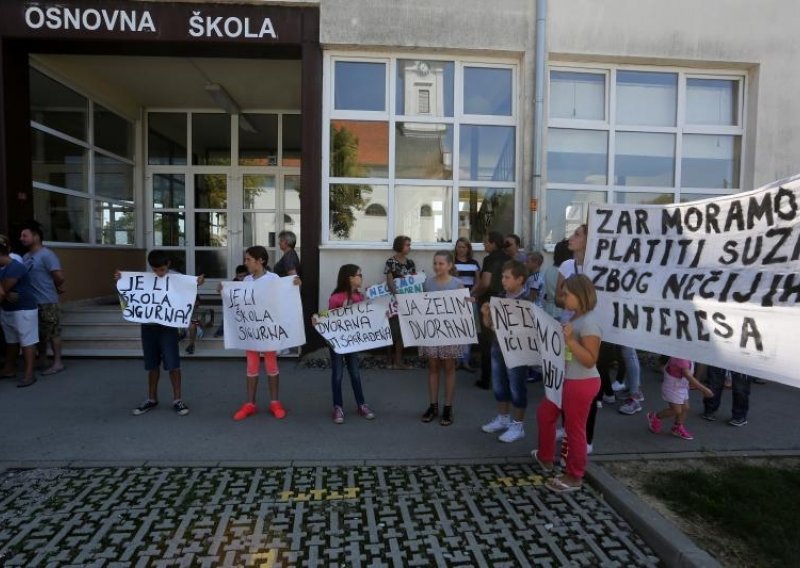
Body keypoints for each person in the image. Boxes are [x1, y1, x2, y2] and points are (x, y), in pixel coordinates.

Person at [534, 274, 602, 493]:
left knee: (574, 430)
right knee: (546, 413)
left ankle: (574, 475)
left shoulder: (589, 322)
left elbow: (590, 359)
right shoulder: (576, 317)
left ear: (581, 295)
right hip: (565, 380)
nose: (563, 298)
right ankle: (545, 457)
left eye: (567, 294)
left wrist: (571, 340)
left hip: (580, 382)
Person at [115, 250, 204, 416]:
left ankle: (177, 399)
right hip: (148, 326)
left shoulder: (176, 277)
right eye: (155, 270)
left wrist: (197, 282)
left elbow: (188, 288)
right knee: (151, 364)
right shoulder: (145, 279)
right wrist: (122, 281)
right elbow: (130, 293)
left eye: (162, 269)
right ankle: (151, 398)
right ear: (151, 267)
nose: (159, 273)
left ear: (168, 264)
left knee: (173, 364)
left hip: (168, 327)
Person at [232, 246, 300, 421]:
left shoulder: (274, 278)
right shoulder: (246, 281)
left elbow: (284, 296)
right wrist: (224, 291)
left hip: (268, 330)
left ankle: (275, 402)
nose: (245, 262)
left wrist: (294, 285)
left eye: (248, 259)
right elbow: (239, 301)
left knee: (271, 366)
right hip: (252, 332)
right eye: (245, 259)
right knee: (251, 366)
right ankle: (250, 403)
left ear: (260, 260)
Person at [480, 260, 530, 443]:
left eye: (507, 277)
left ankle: (518, 425)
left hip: (518, 351)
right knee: (499, 384)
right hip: (498, 347)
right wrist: (486, 314)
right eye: (502, 276)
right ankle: (503, 418)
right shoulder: (500, 296)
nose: (503, 280)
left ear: (520, 279)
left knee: (517, 386)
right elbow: (490, 326)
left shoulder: (527, 301)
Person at [325, 264, 375, 424]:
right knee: (338, 375)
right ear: (350, 278)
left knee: (355, 373)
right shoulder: (336, 298)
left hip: (353, 343)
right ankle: (337, 407)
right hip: (337, 343)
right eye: (359, 275)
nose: (362, 277)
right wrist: (318, 319)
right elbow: (329, 318)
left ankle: (361, 404)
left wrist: (374, 300)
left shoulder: (360, 297)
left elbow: (367, 315)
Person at [420, 251, 465, 426]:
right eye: (435, 263)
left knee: (449, 367)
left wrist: (468, 303)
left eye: (441, 264)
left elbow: (463, 309)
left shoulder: (457, 284)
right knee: (432, 367)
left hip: (450, 333)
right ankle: (433, 405)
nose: (437, 267)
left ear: (450, 265)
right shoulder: (427, 284)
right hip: (432, 332)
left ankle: (448, 407)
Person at [20, 221, 65, 375]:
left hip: (47, 301)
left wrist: (55, 286)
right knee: (38, 334)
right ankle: (43, 359)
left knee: (53, 332)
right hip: (32, 302)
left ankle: (58, 362)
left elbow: (59, 276)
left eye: (25, 235)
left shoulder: (47, 254)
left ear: (36, 236)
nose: (22, 238)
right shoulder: (26, 256)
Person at [471, 231, 511, 389]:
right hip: (505, 300)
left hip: (489, 302)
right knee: (503, 340)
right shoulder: (508, 258)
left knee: (487, 342)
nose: (484, 244)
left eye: (486, 242)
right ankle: (504, 378)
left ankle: (486, 379)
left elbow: (485, 283)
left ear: (493, 243)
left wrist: (475, 293)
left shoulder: (490, 259)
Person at [0, 235, 39, 387]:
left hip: (24, 310)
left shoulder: (15, 267)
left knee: (27, 341)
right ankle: (9, 369)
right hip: (8, 309)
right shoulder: (4, 268)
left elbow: (3, 290)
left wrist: (5, 293)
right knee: (11, 341)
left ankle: (29, 374)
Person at [648, 357, 713, 440]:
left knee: (685, 408)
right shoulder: (681, 359)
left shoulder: (685, 355)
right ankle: (655, 417)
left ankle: (678, 426)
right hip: (673, 387)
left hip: (681, 385)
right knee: (676, 410)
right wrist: (704, 390)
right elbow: (688, 375)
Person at [384, 235, 416, 370]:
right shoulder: (390, 262)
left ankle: (398, 360)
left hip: (406, 301)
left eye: (409, 244)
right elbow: (389, 280)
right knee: (391, 329)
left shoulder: (411, 263)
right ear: (399, 246)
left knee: (402, 330)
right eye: (407, 244)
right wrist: (397, 295)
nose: (409, 247)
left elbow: (414, 280)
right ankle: (389, 360)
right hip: (393, 301)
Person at [453, 237, 481, 371]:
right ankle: (457, 361)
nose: (461, 249)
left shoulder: (474, 263)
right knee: (456, 329)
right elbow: (448, 280)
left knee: (469, 330)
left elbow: (478, 281)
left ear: (468, 249)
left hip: (470, 298)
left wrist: (470, 293)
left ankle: (466, 360)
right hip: (455, 300)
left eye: (464, 247)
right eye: (459, 246)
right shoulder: (451, 263)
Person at [214, 265, 248, 338]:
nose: (242, 279)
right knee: (228, 311)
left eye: (244, 276)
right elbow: (226, 293)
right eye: (240, 276)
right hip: (237, 307)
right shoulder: (234, 283)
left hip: (247, 308)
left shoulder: (251, 282)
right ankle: (221, 330)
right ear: (236, 276)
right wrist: (220, 289)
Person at [542, 239, 571, 320]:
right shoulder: (567, 271)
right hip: (562, 312)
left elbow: (544, 293)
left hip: (548, 310)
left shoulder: (549, 269)